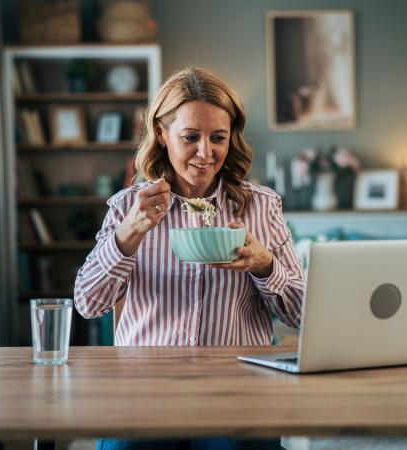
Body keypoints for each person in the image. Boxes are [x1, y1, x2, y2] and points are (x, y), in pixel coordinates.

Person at [74, 67, 305, 450]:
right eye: (190, 137)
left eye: (218, 138)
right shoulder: (128, 206)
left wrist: (265, 265)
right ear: (162, 135)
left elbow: (301, 315)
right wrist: (128, 235)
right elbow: (87, 304)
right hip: (143, 390)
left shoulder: (262, 206)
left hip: (240, 388)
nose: (205, 152)